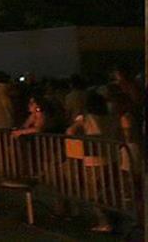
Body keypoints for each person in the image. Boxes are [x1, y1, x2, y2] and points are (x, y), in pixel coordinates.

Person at [66, 91, 118, 232]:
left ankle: (104, 222)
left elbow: (70, 131)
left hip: (94, 160)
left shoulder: (86, 118)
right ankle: (114, 219)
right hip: (112, 157)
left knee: (94, 193)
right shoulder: (110, 117)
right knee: (110, 190)